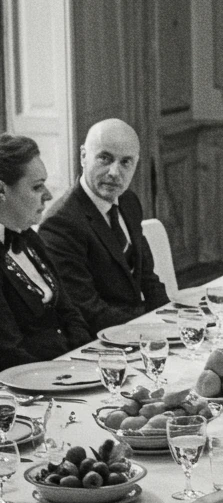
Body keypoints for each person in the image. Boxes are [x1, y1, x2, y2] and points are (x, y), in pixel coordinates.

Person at [39, 119, 168, 337]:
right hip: (99, 342)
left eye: (125, 162)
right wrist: (153, 330)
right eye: (105, 158)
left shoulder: (129, 201)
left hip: (137, 332)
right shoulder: (61, 223)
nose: (114, 172)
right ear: (83, 156)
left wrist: (173, 320)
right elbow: (88, 311)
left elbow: (148, 280)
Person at [1, 134, 91, 369]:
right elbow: (9, 352)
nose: (49, 195)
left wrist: (86, 358)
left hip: (69, 366)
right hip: (29, 380)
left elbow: (70, 312)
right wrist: (65, 374)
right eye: (37, 186)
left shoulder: (29, 237)